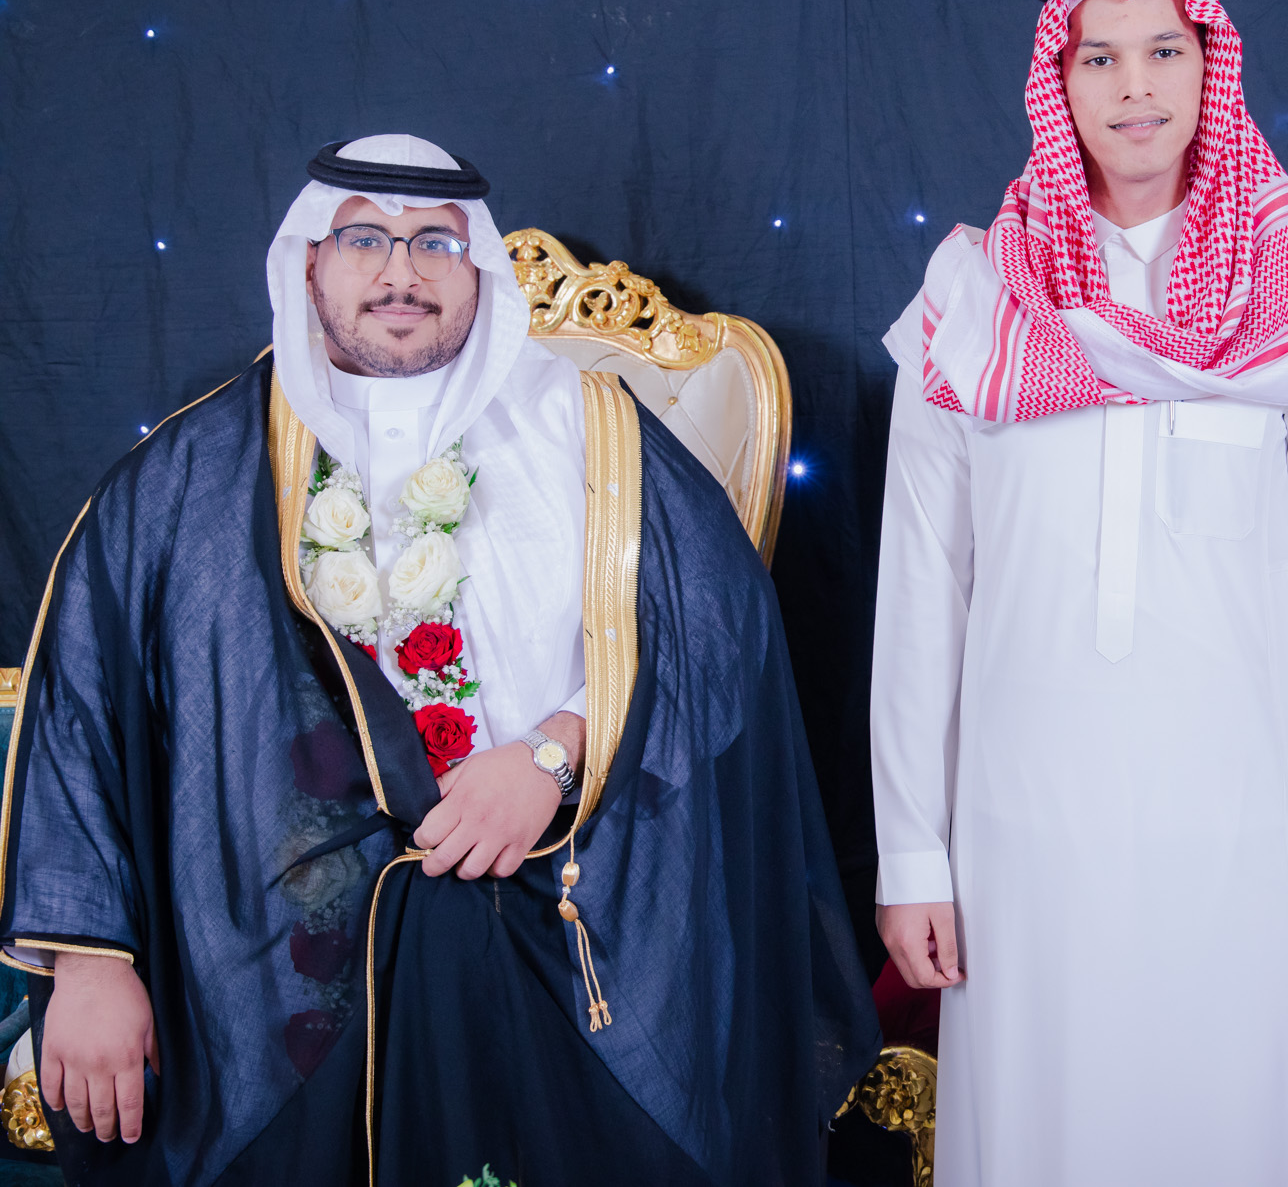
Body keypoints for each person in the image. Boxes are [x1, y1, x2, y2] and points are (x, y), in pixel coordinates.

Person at [2, 135, 877, 1185]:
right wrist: (89, 960)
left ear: (479, 271)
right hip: (280, 954)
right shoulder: (199, 467)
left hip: (561, 899)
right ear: (309, 262)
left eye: (434, 242)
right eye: (363, 239)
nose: (400, 273)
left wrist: (554, 754)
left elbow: (718, 640)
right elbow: (83, 705)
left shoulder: (590, 429)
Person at [869, 0, 1288, 1186]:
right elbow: (920, 595)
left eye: (1163, 50)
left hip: (1258, 826)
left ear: (1208, 64)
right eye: (1097, 59)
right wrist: (912, 851)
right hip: (1025, 828)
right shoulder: (974, 298)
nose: (1133, 87)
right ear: (1053, 87)